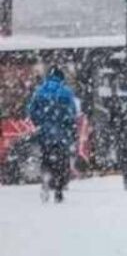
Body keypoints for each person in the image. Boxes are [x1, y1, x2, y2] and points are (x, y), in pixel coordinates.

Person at [27, 66, 79, 204]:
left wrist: (41, 122)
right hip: (62, 135)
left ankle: (45, 178)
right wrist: (66, 125)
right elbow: (72, 113)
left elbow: (31, 111)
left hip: (45, 134)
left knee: (46, 158)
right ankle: (59, 190)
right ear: (61, 78)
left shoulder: (40, 91)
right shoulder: (66, 92)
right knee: (62, 162)